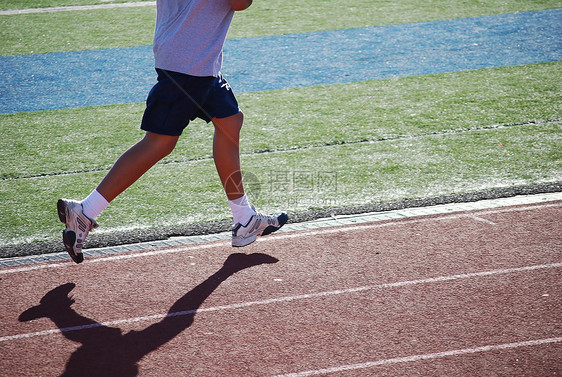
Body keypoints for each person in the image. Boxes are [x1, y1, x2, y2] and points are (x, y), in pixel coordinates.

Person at [57, 0, 288, 264]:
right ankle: (85, 211)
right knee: (159, 143)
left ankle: (244, 217)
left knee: (230, 121)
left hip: (189, 58)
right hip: (191, 62)